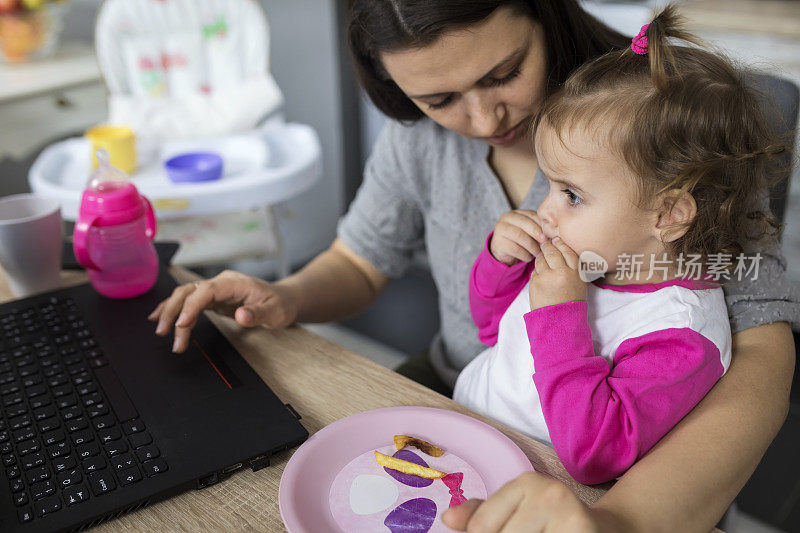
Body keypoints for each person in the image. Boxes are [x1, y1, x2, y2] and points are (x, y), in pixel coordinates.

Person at [149, 1, 800, 530]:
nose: (484, 119)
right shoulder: (423, 144)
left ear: (542, 14)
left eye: (501, 74)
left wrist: (622, 518)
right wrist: (285, 295)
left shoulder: (664, 131)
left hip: (593, 458)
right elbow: (368, 260)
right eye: (439, 100)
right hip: (462, 389)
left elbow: (761, 347)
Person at [453, 5, 783, 486]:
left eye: (572, 195)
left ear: (668, 215)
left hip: (530, 485)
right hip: (465, 430)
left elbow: (595, 455)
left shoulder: (681, 333)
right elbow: (490, 331)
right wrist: (501, 262)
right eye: (549, 186)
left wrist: (559, 315)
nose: (545, 211)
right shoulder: (591, 259)